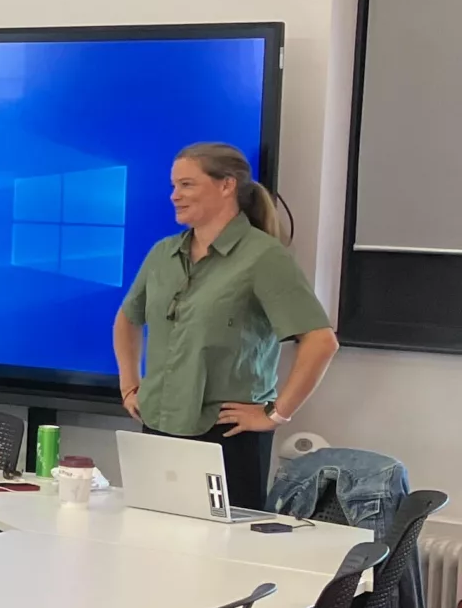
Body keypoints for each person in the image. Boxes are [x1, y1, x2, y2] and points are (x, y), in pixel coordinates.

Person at [114, 141, 338, 513]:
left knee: (220, 557)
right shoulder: (163, 253)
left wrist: (276, 414)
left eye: (187, 185)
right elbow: (127, 319)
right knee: (151, 544)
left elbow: (320, 341)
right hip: (157, 427)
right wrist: (128, 385)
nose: (174, 196)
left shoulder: (263, 257)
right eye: (173, 186)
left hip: (227, 436)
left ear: (226, 185)